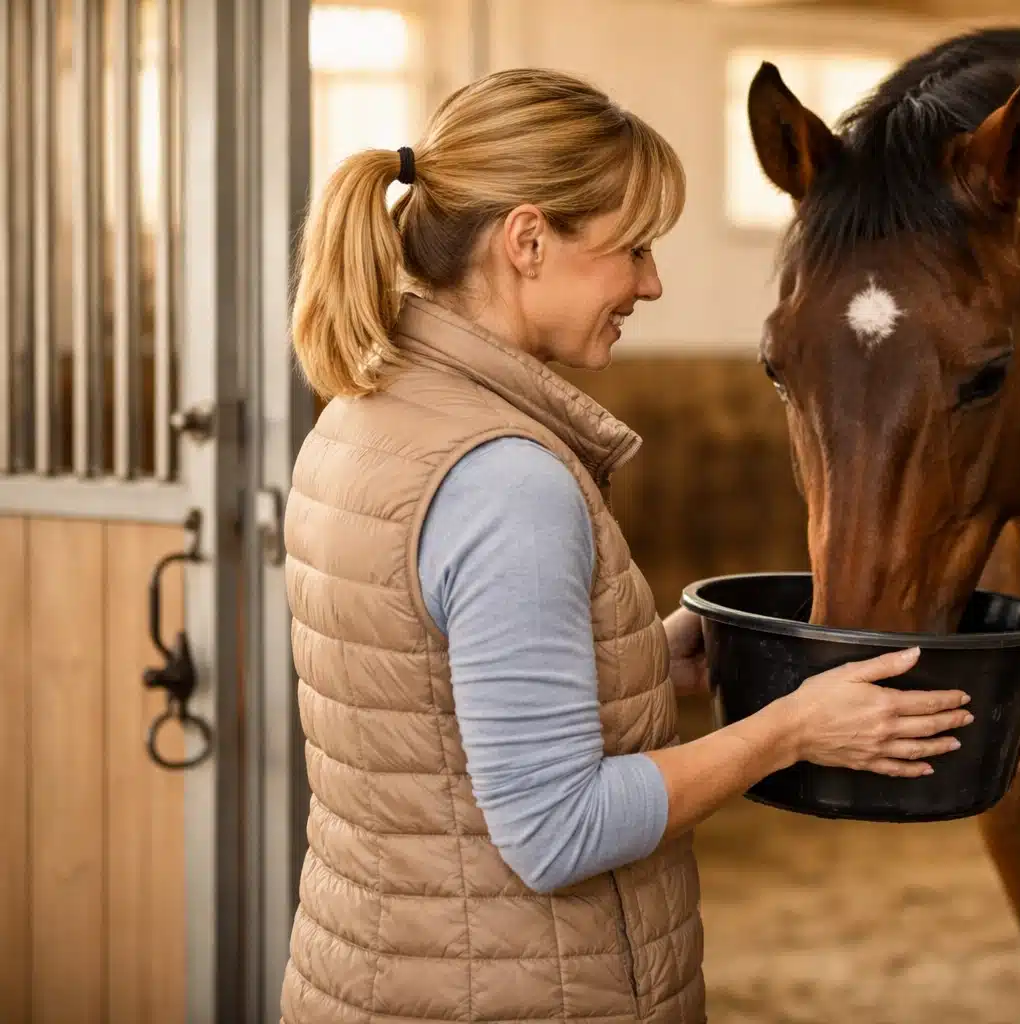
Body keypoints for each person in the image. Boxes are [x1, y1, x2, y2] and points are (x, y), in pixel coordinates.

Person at [277, 68, 973, 1024]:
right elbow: (557, 830)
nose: (651, 282)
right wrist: (790, 731)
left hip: (383, 973)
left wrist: (638, 655)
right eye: (633, 247)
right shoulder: (505, 481)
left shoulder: (366, 416)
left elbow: (431, 700)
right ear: (528, 241)